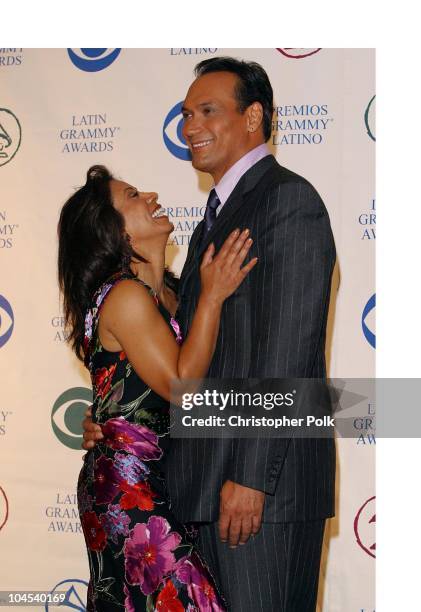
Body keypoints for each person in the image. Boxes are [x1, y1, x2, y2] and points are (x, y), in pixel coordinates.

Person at [83, 56, 336, 611]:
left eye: (207, 110)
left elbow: (287, 353)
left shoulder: (288, 201)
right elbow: (180, 361)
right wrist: (114, 419)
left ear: (254, 118)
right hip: (195, 491)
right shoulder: (208, 223)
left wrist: (251, 478)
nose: (190, 126)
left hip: (259, 494)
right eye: (185, 113)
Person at [58, 164, 257, 611]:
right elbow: (182, 387)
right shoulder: (124, 295)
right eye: (131, 196)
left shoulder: (169, 291)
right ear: (112, 230)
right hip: (128, 489)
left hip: (165, 480)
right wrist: (212, 297)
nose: (149, 195)